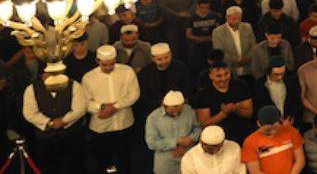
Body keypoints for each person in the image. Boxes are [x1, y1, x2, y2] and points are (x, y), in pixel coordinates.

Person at [83, 44, 141, 174]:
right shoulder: (88, 77)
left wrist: (114, 107)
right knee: (103, 161)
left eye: (111, 64)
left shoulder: (127, 71)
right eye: (105, 65)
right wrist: (101, 107)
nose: (109, 68)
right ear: (97, 61)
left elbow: (134, 94)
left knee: (125, 159)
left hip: (124, 123)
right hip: (101, 126)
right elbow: (85, 102)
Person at [22, 63, 87, 174]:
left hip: (72, 134)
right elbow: (29, 113)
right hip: (45, 137)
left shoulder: (74, 85)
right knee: (47, 168)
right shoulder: (31, 89)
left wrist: (64, 121)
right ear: (42, 75)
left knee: (76, 166)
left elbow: (80, 109)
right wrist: (49, 122)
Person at [194, 61, 256, 144]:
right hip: (217, 136)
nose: (223, 79)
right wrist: (223, 114)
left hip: (243, 131)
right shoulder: (202, 94)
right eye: (219, 76)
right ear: (211, 76)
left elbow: (249, 114)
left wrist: (235, 108)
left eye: (226, 74)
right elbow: (204, 124)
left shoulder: (241, 86)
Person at [145, 90, 202, 174]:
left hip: (188, 157)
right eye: (171, 112)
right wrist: (177, 141)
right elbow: (151, 143)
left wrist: (188, 141)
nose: (175, 114)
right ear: (164, 106)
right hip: (165, 164)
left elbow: (198, 128)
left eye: (179, 112)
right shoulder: (153, 118)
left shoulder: (189, 111)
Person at [241, 105, 305, 174]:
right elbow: (254, 171)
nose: (272, 132)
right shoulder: (250, 142)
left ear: (280, 121)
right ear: (258, 124)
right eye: (267, 130)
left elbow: (300, 159)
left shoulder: (290, 131)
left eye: (275, 128)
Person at [255, 56, 305, 124]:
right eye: (276, 74)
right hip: (271, 122)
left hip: (290, 121)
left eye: (282, 73)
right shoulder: (260, 84)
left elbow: (296, 100)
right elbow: (260, 105)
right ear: (269, 71)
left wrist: (291, 116)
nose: (280, 77)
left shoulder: (292, 80)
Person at [181, 125, 247, 174]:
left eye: (217, 148)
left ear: (222, 142)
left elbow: (240, 171)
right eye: (209, 149)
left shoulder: (233, 148)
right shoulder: (190, 157)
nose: (214, 151)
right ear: (202, 143)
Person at [214, 6, 257, 79]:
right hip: (229, 68)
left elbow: (253, 45)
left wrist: (247, 58)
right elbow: (220, 52)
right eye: (234, 19)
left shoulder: (247, 27)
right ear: (227, 17)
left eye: (239, 19)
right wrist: (238, 60)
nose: (237, 21)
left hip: (248, 67)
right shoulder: (218, 32)